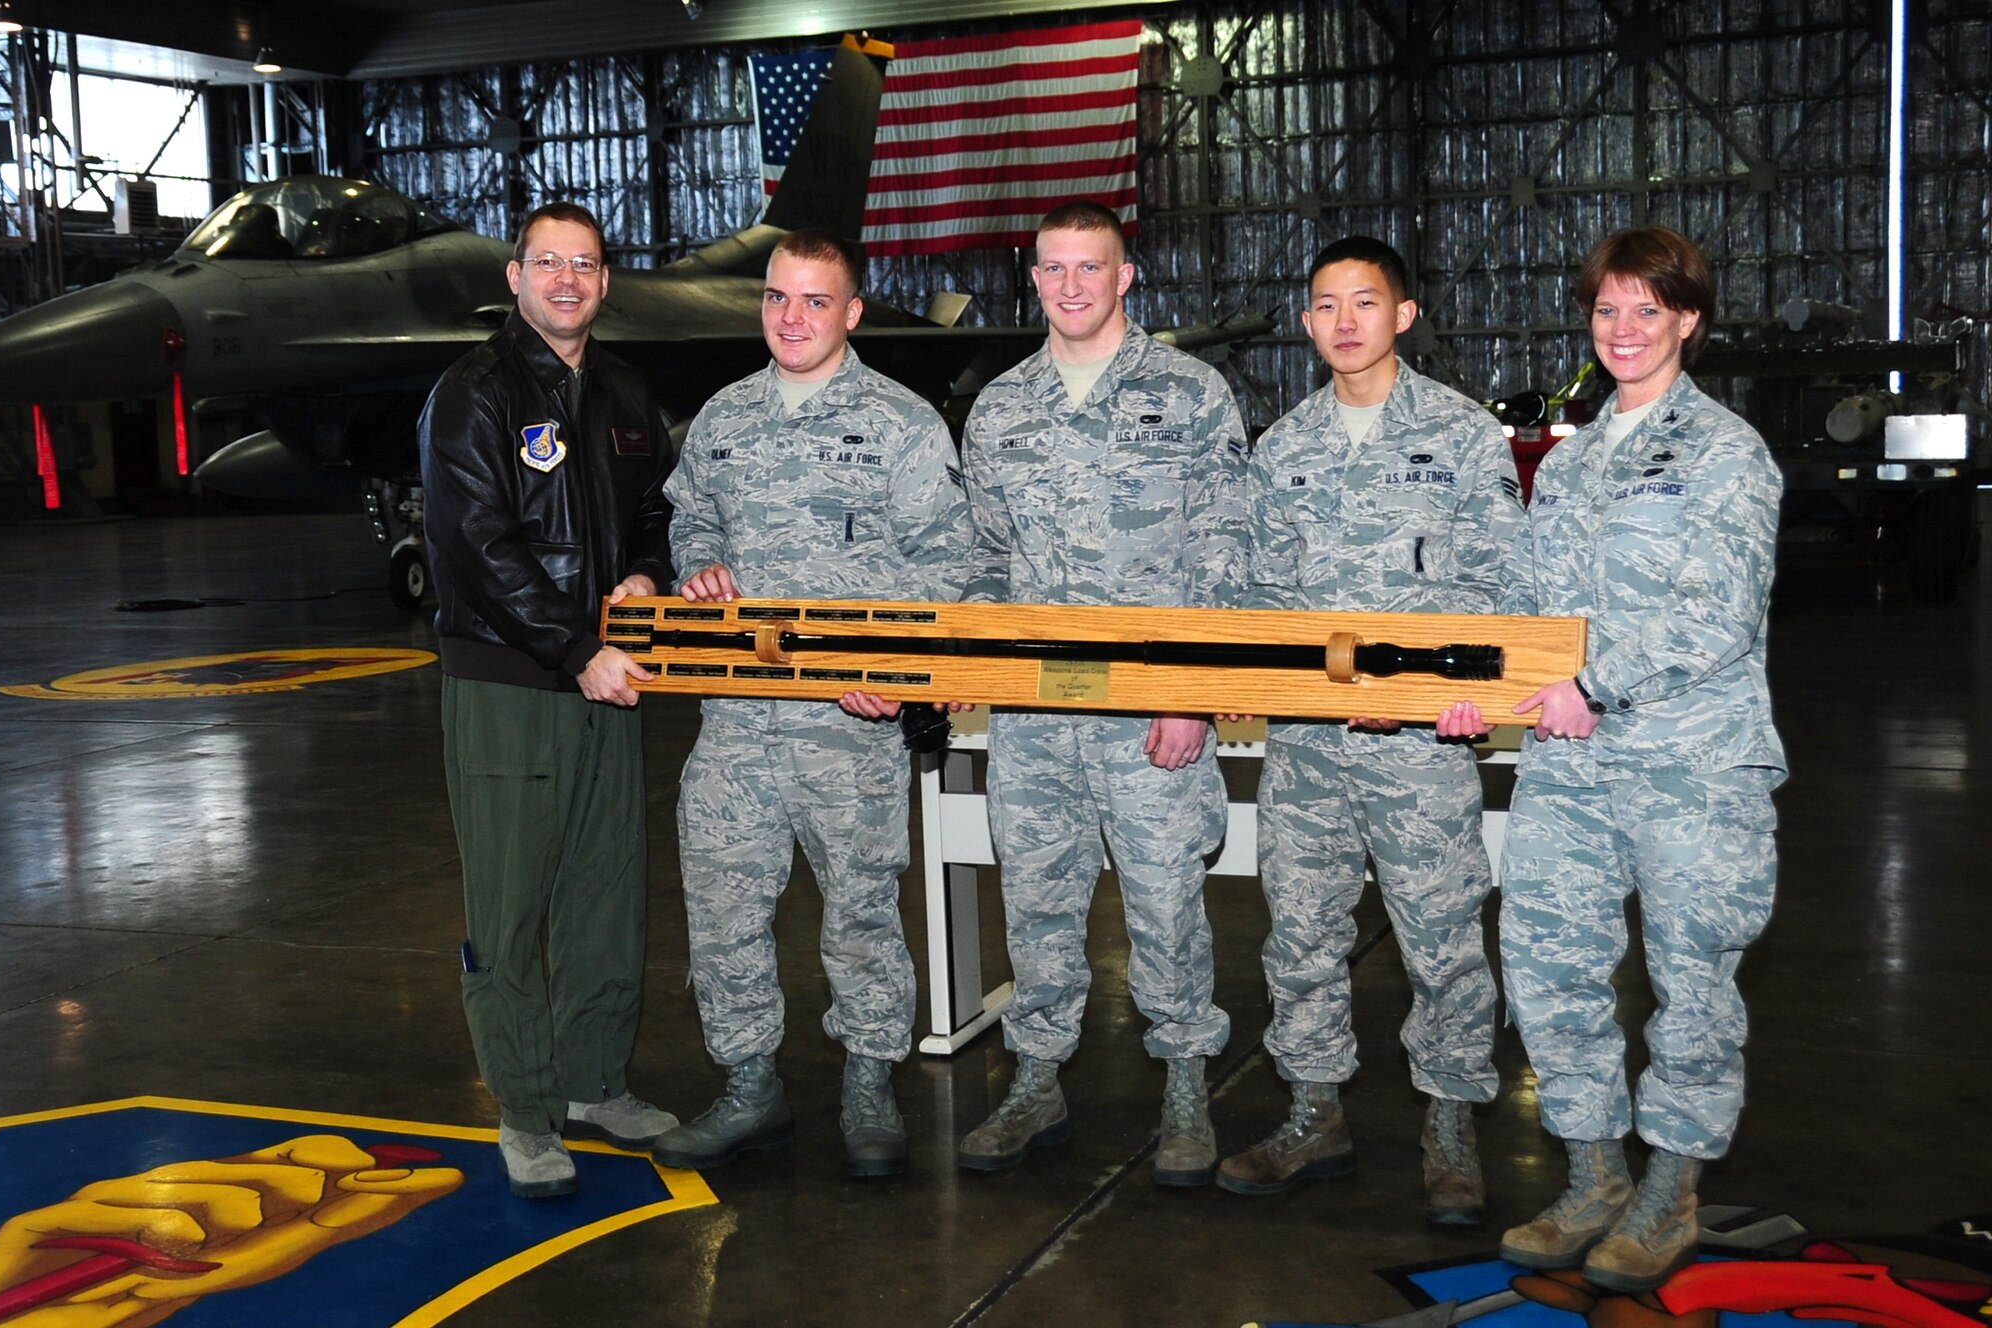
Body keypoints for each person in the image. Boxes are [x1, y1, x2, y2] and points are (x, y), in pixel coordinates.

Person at [1438, 226, 1786, 1287]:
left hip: (1691, 762)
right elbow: (1532, 613)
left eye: (1647, 309)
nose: (1623, 329)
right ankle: (1591, 1171)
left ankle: (1668, 1188)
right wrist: (1466, 688)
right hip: (1566, 762)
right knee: (1547, 963)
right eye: (1605, 310)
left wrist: (1588, 685)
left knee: (1689, 979)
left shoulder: (1727, 451)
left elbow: (1718, 614)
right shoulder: (1575, 456)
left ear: (1686, 319)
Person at [1219, 237, 1528, 1225]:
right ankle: (1313, 1111)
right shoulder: (1281, 451)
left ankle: (1447, 1125)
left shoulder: (1464, 438)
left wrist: (1444, 687)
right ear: (1306, 323)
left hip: (1419, 749)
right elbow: (1262, 597)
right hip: (1307, 749)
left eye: (1363, 300)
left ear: (1402, 314)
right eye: (1323, 304)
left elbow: (1499, 587)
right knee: (1299, 934)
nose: (1342, 319)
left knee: (1440, 937)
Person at [651, 228, 970, 1178]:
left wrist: (894, 668)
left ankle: (869, 1081)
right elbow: (690, 511)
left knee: (863, 910)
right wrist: (697, 561)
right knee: (721, 908)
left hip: (849, 728)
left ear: (852, 312)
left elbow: (948, 566)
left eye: (815, 301)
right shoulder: (724, 416)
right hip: (736, 723)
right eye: (778, 299)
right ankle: (750, 1087)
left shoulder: (904, 425)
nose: (792, 318)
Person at [955, 201, 1249, 1185]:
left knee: (1166, 900)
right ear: (1030, 278)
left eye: (1091, 267)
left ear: (1126, 276)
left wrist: (1188, 693)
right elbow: (985, 559)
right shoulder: (998, 406)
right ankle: (1036, 1078)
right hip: (1035, 715)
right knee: (1035, 896)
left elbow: (1223, 548)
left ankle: (1182, 1088)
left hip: (1150, 711)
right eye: (1053, 268)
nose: (1071, 284)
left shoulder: (1191, 392)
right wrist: (981, 677)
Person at [419, 201, 677, 1199]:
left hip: (605, 679)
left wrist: (649, 576)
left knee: (606, 894)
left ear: (605, 282)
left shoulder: (618, 390)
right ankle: (525, 1111)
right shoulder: (472, 394)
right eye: (548, 263)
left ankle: (593, 1081)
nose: (567, 279)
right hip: (512, 685)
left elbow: (652, 510)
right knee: (512, 907)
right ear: (514, 275)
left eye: (586, 264)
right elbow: (475, 546)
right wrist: (576, 648)